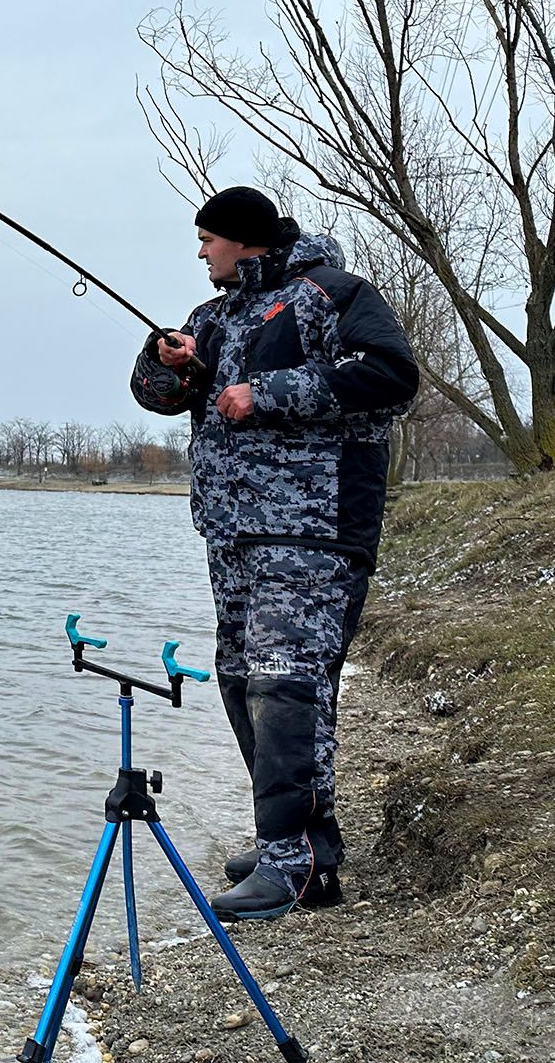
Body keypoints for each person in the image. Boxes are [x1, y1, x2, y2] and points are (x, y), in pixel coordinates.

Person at [131, 186, 418, 922]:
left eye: (207, 239)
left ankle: (296, 867)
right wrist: (169, 360)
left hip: (314, 531)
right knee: (240, 681)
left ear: (244, 238)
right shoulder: (213, 317)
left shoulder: (333, 293)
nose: (199, 253)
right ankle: (297, 845)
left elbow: (391, 376)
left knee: (286, 686)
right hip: (231, 534)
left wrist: (266, 392)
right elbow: (159, 397)